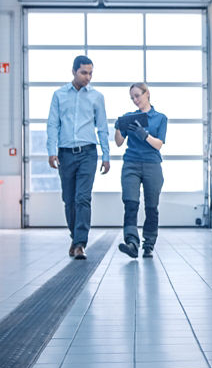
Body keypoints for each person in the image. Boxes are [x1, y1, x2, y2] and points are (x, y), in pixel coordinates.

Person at [46, 55, 110, 260]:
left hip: (88, 153)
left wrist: (106, 155)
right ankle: (75, 238)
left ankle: (81, 243)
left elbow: (102, 127)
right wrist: (51, 151)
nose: (88, 77)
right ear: (73, 71)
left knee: (83, 198)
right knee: (69, 199)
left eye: (91, 73)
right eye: (84, 72)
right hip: (65, 153)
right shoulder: (58, 95)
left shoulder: (96, 97)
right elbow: (52, 124)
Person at [114, 82, 167, 259]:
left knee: (152, 207)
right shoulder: (129, 117)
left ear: (147, 94)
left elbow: (158, 144)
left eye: (137, 95)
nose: (135, 100)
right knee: (130, 204)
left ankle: (149, 244)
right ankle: (132, 243)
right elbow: (119, 142)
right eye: (132, 97)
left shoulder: (160, 118)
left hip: (152, 164)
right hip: (131, 164)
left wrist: (144, 135)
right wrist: (119, 127)